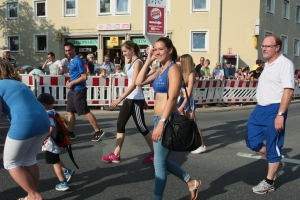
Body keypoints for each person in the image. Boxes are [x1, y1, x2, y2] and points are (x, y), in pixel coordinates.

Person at [136, 37, 201, 200]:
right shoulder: (160, 70)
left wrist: (161, 124)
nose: (157, 52)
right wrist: (149, 59)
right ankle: (190, 181)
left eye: (160, 49)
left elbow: (172, 98)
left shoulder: (173, 69)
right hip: (159, 118)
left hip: (168, 119)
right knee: (161, 160)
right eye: (155, 49)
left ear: (170, 50)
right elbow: (139, 81)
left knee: (158, 163)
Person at [246, 34, 294, 194]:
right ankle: (276, 161)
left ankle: (269, 181)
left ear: (277, 47)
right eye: (262, 46)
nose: (263, 48)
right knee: (252, 142)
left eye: (267, 46)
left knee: (273, 146)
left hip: (275, 109)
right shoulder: (267, 65)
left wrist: (280, 113)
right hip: (260, 109)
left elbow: (288, 90)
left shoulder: (285, 64)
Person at [0, 60, 50, 200]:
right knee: (29, 159)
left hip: (24, 123)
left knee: (11, 163)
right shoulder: (20, 84)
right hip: (43, 120)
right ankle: (32, 194)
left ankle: (34, 195)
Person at [102, 40, 154, 164]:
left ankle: (156, 154)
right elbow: (136, 83)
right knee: (120, 125)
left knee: (141, 127)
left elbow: (135, 84)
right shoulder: (132, 63)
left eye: (125, 51)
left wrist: (119, 98)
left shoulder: (138, 62)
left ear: (132, 49)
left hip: (135, 99)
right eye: (123, 52)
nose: (123, 54)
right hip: (131, 98)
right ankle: (116, 154)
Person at [64, 42, 105, 141]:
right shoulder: (72, 60)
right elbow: (76, 75)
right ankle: (71, 132)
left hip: (79, 90)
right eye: (66, 51)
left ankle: (98, 131)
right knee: (70, 111)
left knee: (84, 111)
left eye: (69, 50)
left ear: (74, 49)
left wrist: (71, 83)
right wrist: (69, 81)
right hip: (73, 90)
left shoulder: (78, 60)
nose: (68, 52)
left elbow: (84, 77)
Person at [38, 93, 75, 192]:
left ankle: (63, 182)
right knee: (56, 159)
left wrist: (44, 138)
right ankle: (67, 171)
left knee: (54, 163)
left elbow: (52, 128)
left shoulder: (48, 114)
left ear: (43, 105)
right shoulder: (53, 112)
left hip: (51, 143)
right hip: (55, 142)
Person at [177, 54, 206, 154]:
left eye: (181, 61)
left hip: (187, 101)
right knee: (186, 124)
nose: (179, 63)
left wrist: (181, 106)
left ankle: (202, 145)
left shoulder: (191, 75)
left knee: (193, 123)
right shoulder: (182, 73)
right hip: (181, 100)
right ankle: (190, 143)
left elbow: (189, 93)